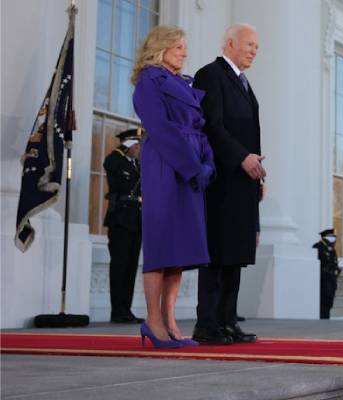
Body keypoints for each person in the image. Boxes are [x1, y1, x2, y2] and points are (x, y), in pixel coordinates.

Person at [131, 25, 214, 348]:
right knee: (161, 244)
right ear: (161, 48)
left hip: (190, 166)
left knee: (178, 249)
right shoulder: (149, 81)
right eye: (179, 46)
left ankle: (169, 320)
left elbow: (200, 129)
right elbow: (160, 128)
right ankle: (153, 322)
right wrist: (192, 166)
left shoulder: (182, 83)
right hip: (167, 165)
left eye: (184, 46)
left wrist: (208, 163)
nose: (185, 52)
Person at [191, 23, 263, 345]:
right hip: (221, 180)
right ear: (230, 43)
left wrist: (257, 171)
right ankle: (207, 324)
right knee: (218, 253)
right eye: (249, 44)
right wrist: (241, 158)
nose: (253, 51)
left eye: (257, 47)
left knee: (236, 255)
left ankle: (228, 322)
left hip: (245, 180)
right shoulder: (210, 74)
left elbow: (249, 132)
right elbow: (212, 126)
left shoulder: (245, 84)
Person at [103, 128, 144, 324]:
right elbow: (109, 164)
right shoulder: (116, 160)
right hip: (120, 219)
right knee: (119, 266)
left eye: (138, 144)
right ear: (126, 145)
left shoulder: (137, 165)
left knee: (131, 266)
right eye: (134, 144)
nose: (138, 148)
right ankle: (117, 310)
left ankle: (126, 309)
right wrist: (122, 147)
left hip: (136, 220)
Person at [312, 229, 342, 319]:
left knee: (329, 301)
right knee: (323, 302)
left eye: (334, 238)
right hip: (323, 279)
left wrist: (336, 269)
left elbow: (334, 263)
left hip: (331, 279)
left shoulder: (332, 250)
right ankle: (322, 320)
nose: (334, 240)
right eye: (332, 237)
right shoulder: (318, 247)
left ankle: (326, 319)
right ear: (325, 238)